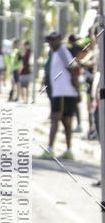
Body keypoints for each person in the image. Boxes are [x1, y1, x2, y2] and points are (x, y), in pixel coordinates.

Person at [41, 31, 79, 160]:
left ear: (59, 40)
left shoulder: (61, 52)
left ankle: (50, 149)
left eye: (53, 40)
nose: (51, 43)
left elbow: (72, 69)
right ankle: (68, 150)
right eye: (49, 40)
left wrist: (76, 88)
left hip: (63, 92)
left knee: (56, 119)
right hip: (63, 92)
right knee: (66, 122)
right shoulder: (55, 53)